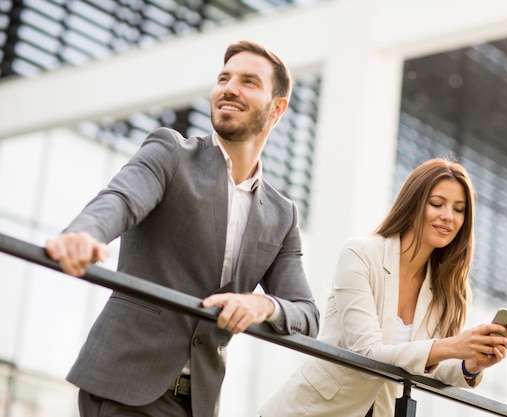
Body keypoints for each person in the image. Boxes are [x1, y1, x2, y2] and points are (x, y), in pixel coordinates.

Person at [44, 40, 320, 417]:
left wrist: (261, 304)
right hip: (124, 386)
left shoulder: (281, 214)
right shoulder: (171, 153)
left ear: (277, 109)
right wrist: (84, 235)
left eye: (248, 81)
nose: (229, 88)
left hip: (196, 404)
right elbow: (121, 199)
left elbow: (306, 314)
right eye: (224, 78)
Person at [259, 158, 507, 417]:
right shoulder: (360, 254)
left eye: (459, 209)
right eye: (437, 204)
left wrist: (471, 363)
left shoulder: (447, 288)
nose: (448, 216)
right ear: (413, 204)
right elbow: (367, 353)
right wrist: (453, 346)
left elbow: (431, 365)